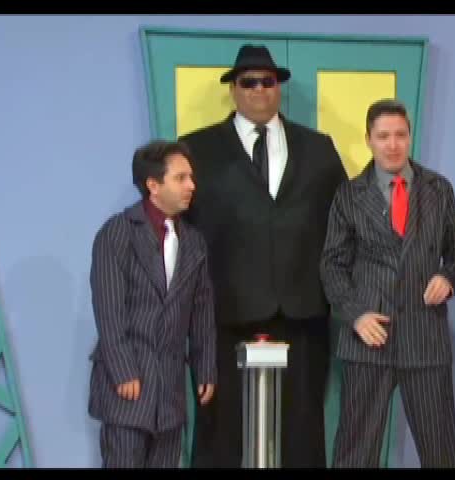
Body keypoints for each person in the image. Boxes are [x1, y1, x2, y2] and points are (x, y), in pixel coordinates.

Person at [178, 44, 347, 468]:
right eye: (248, 82)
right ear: (233, 89)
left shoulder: (319, 148)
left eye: (267, 81)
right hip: (224, 314)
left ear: (279, 88)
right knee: (221, 433)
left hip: (303, 313)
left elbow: (345, 224)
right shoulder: (196, 149)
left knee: (302, 431)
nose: (258, 89)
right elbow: (181, 232)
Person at [319, 98, 455, 468]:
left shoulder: (438, 190)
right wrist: (356, 315)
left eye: (400, 135)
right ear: (369, 140)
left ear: (410, 136)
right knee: (356, 454)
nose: (393, 144)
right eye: (383, 136)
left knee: (441, 453)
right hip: (369, 338)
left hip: (425, 334)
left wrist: (448, 278)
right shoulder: (349, 195)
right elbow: (332, 264)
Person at [87, 140, 217, 468]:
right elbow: (109, 310)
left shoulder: (193, 242)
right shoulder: (117, 233)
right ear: (153, 185)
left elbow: (201, 311)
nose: (191, 185)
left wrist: (205, 367)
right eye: (181, 178)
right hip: (128, 388)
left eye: (191, 177)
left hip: (170, 392)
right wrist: (123, 371)